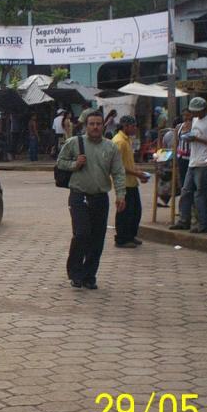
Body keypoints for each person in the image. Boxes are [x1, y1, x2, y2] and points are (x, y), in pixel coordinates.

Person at [56, 111, 126, 290]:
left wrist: (121, 194)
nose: (95, 127)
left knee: (97, 239)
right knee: (81, 234)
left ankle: (89, 276)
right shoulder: (74, 143)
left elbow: (118, 173)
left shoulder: (110, 147)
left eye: (98, 124)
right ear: (86, 126)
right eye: (92, 124)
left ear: (103, 126)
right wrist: (74, 164)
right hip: (79, 196)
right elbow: (60, 162)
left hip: (100, 198)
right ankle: (75, 273)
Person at [170, 97, 207, 233]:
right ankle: (184, 220)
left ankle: (204, 223)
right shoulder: (195, 120)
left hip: (203, 161)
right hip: (193, 160)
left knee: (201, 194)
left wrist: (197, 139)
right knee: (186, 191)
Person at [112, 116, 148, 248]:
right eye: (133, 126)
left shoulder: (127, 140)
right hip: (123, 182)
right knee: (124, 212)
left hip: (131, 181)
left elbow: (129, 161)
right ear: (125, 126)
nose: (135, 129)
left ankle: (130, 236)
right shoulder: (119, 141)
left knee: (135, 211)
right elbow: (118, 165)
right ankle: (121, 238)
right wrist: (137, 173)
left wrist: (139, 173)